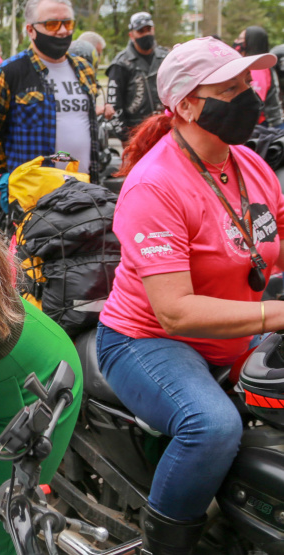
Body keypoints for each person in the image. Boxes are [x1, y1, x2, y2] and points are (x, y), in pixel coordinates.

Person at [97, 37, 280, 555]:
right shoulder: (154, 184)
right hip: (147, 339)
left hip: (236, 333)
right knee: (213, 427)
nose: (249, 97)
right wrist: (276, 314)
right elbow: (174, 310)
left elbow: (275, 243)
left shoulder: (250, 164)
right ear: (185, 105)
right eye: (230, 88)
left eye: (248, 84)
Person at [0, 0, 98, 184]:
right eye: (52, 24)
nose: (63, 31)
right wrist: (12, 172)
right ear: (31, 30)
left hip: (85, 188)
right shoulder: (8, 73)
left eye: (68, 23)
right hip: (33, 194)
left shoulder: (84, 69)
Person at [105, 12, 168, 144]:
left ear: (153, 29)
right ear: (131, 35)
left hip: (165, 131)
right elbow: (113, 106)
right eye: (140, 31)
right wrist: (126, 138)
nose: (146, 34)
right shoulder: (121, 64)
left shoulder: (165, 57)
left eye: (148, 29)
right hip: (135, 135)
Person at [236, 26, 284, 128]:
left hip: (262, 127)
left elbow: (253, 103)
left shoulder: (258, 68)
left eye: (240, 39)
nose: (236, 41)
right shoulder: (250, 65)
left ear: (251, 42)